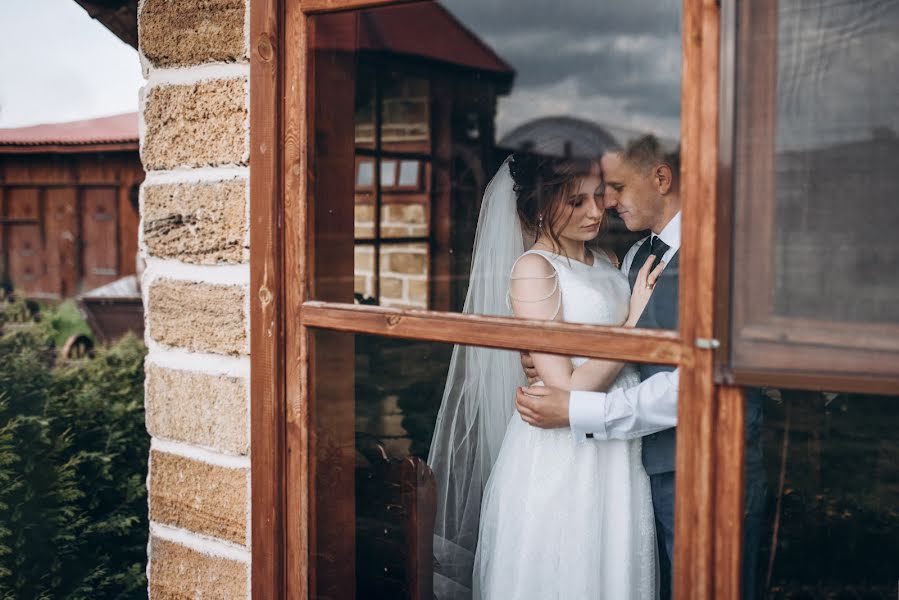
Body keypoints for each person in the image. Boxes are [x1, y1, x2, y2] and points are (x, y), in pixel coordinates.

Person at [516, 135, 766, 599]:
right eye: (590, 196)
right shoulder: (632, 259)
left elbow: (697, 382)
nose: (605, 205)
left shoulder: (716, 253)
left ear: (662, 178)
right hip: (637, 466)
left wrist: (576, 408)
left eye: (613, 188)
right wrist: (546, 350)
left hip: (712, 467)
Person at [428, 149, 665, 599]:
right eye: (577, 203)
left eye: (598, 196)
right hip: (566, 452)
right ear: (539, 207)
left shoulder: (608, 258)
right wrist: (630, 327)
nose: (596, 211)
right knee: (567, 569)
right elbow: (567, 390)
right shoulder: (534, 271)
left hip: (618, 445)